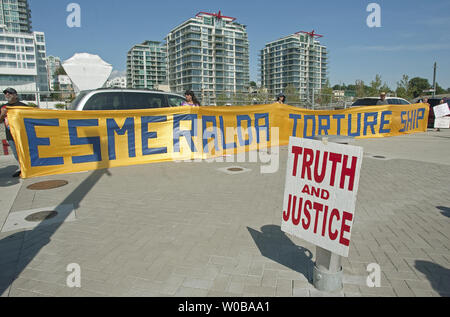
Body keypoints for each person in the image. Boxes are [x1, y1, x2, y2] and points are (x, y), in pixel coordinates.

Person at [0, 87, 27, 177]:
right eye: (6, 93)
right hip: (10, 135)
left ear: (15, 95)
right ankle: (21, 169)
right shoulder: (3, 107)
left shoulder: (22, 106)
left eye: (10, 93)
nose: (7, 95)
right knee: (16, 154)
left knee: (26, 152)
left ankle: (28, 168)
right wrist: (2, 115)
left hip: (22, 134)